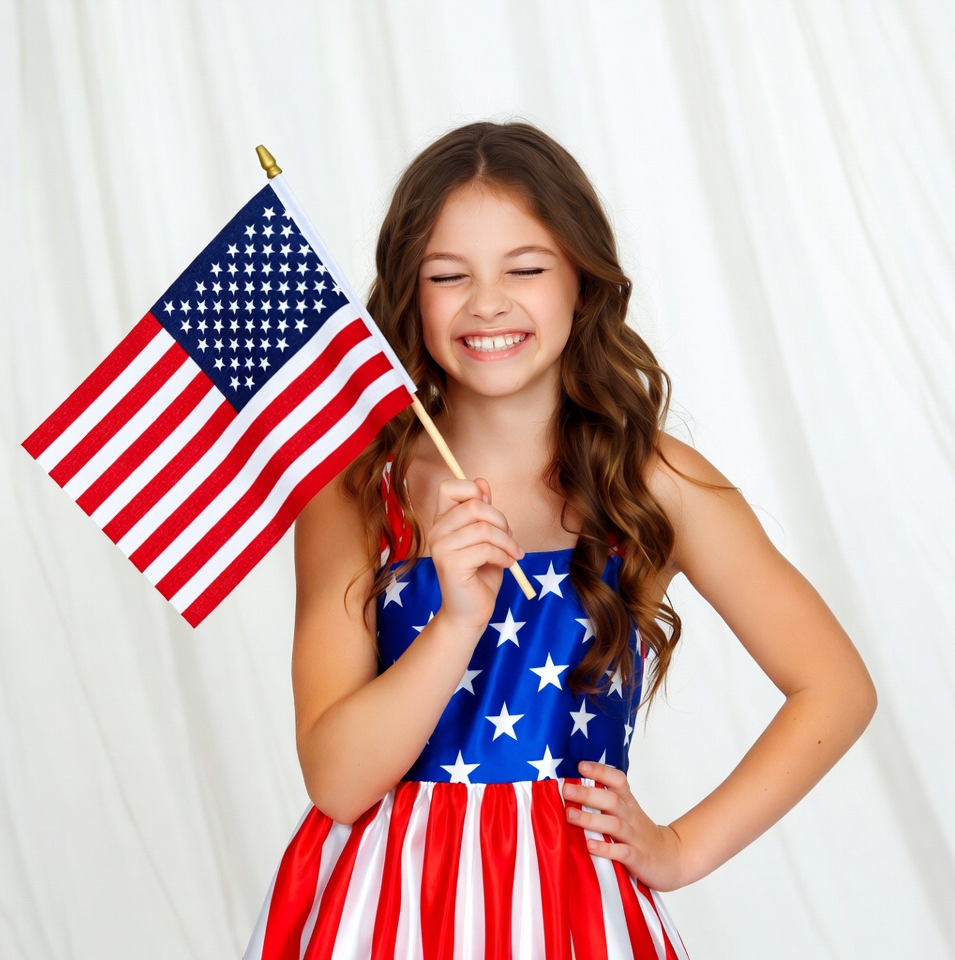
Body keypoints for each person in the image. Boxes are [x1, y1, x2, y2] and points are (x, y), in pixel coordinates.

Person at [243, 121, 876, 959]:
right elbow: (336, 778)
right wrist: (458, 622)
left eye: (526, 268)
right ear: (409, 295)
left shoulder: (652, 482)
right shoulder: (359, 492)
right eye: (447, 276)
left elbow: (835, 687)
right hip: (379, 914)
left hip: (573, 912)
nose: (487, 302)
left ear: (582, 278)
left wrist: (681, 848)